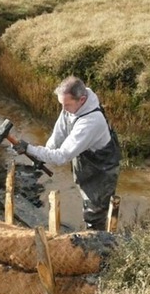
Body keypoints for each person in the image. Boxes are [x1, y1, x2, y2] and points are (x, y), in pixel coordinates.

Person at [13, 76, 122, 231]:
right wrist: (42, 155)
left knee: (95, 213)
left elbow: (62, 156)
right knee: (87, 205)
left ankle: (97, 245)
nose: (63, 109)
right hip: (88, 166)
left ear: (82, 99)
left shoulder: (91, 122)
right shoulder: (73, 106)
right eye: (61, 104)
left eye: (67, 105)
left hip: (102, 172)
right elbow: (59, 134)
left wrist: (30, 149)